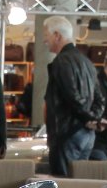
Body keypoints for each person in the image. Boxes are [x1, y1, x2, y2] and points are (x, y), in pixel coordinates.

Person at [40, 16, 100, 178]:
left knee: (63, 184)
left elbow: (71, 96)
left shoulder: (61, 62)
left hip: (66, 134)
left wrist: (88, 118)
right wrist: (93, 119)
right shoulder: (87, 62)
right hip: (87, 135)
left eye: (46, 35)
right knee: (78, 184)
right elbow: (100, 98)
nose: (44, 40)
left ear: (57, 35)